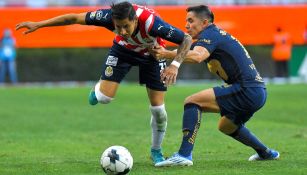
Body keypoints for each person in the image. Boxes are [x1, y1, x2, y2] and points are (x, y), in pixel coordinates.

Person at [15, 1, 192, 166]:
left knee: (158, 111)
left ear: (135, 20)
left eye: (126, 26)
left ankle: (156, 151)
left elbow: (186, 39)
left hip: (153, 55)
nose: (122, 31)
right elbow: (73, 18)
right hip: (122, 51)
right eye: (118, 26)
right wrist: (39, 24)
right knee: (103, 98)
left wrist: (175, 65)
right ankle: (97, 89)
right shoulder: (107, 17)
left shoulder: (153, 24)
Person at [148, 5, 280, 166]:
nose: (186, 25)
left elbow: (197, 56)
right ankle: (266, 153)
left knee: (192, 101)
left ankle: (184, 155)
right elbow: (193, 52)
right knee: (226, 126)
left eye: (190, 20)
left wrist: (166, 54)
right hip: (257, 91)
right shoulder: (213, 35)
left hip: (247, 89)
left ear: (205, 22)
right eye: (186, 21)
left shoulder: (210, 34)